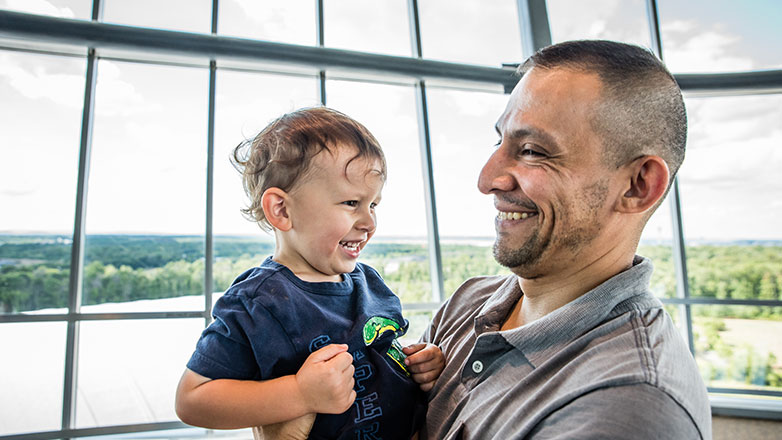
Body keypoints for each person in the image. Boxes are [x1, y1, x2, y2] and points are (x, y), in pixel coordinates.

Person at [420, 40, 712, 439]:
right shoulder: (468, 302)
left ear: (638, 186)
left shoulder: (628, 407)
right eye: (500, 141)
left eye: (533, 151)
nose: (488, 180)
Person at [175, 107, 444, 440]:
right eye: (350, 203)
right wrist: (299, 393)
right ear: (282, 210)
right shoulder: (259, 301)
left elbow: (385, 354)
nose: (369, 222)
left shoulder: (369, 282)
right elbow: (192, 400)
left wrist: (417, 364)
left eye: (373, 204)